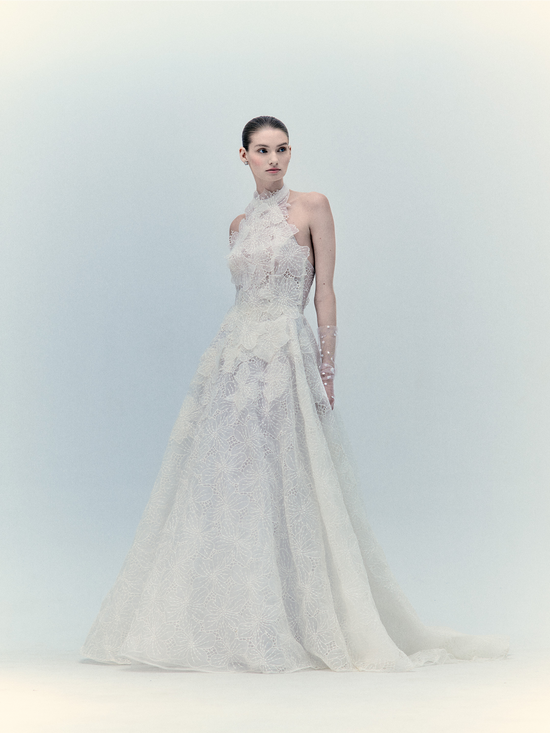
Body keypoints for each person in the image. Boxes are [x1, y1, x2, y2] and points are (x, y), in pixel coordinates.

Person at [81, 115, 508, 673]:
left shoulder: (312, 207)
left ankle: (306, 618)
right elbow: (243, 297)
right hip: (235, 359)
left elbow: (324, 290)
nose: (275, 159)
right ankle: (238, 621)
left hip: (286, 351)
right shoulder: (236, 225)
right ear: (243, 156)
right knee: (232, 483)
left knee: (294, 478)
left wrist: (327, 368)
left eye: (282, 149)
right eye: (262, 150)